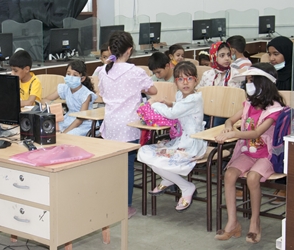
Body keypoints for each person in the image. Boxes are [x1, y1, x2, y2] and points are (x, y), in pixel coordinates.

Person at [214, 63, 286, 244]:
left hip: (267, 155)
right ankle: (232, 222)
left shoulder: (274, 109)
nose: (248, 84)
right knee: (229, 175)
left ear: (264, 83)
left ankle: (255, 223)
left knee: (253, 178)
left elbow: (256, 133)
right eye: (247, 80)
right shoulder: (248, 104)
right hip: (248, 152)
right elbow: (230, 120)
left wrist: (234, 134)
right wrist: (228, 127)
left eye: (252, 80)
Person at [98, 31, 157, 219]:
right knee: (127, 166)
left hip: (110, 125)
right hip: (129, 126)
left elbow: (101, 93)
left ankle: (109, 201)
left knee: (112, 165)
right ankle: (125, 206)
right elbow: (153, 90)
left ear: (109, 49)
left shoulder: (103, 71)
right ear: (130, 50)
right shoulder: (136, 72)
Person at [137, 61, 207, 212]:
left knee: (157, 161)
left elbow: (172, 113)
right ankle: (169, 178)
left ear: (196, 80)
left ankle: (186, 187)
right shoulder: (180, 95)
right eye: (180, 79)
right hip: (180, 140)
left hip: (191, 144)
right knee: (144, 152)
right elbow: (179, 107)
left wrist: (154, 104)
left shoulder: (194, 98)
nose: (185, 83)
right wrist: (171, 103)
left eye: (189, 78)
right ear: (176, 82)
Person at [41, 60, 97, 136]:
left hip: (83, 124)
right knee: (46, 129)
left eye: (75, 75)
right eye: (68, 74)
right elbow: (44, 100)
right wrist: (53, 105)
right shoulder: (65, 88)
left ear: (82, 79)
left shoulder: (86, 94)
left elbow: (80, 119)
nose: (71, 77)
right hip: (68, 119)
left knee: (69, 135)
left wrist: (64, 133)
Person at [197, 41, 236, 127]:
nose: (227, 58)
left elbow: (235, 98)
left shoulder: (235, 75)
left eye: (228, 55)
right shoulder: (207, 74)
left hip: (226, 110)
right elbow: (199, 92)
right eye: (222, 55)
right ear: (214, 57)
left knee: (217, 119)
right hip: (207, 109)